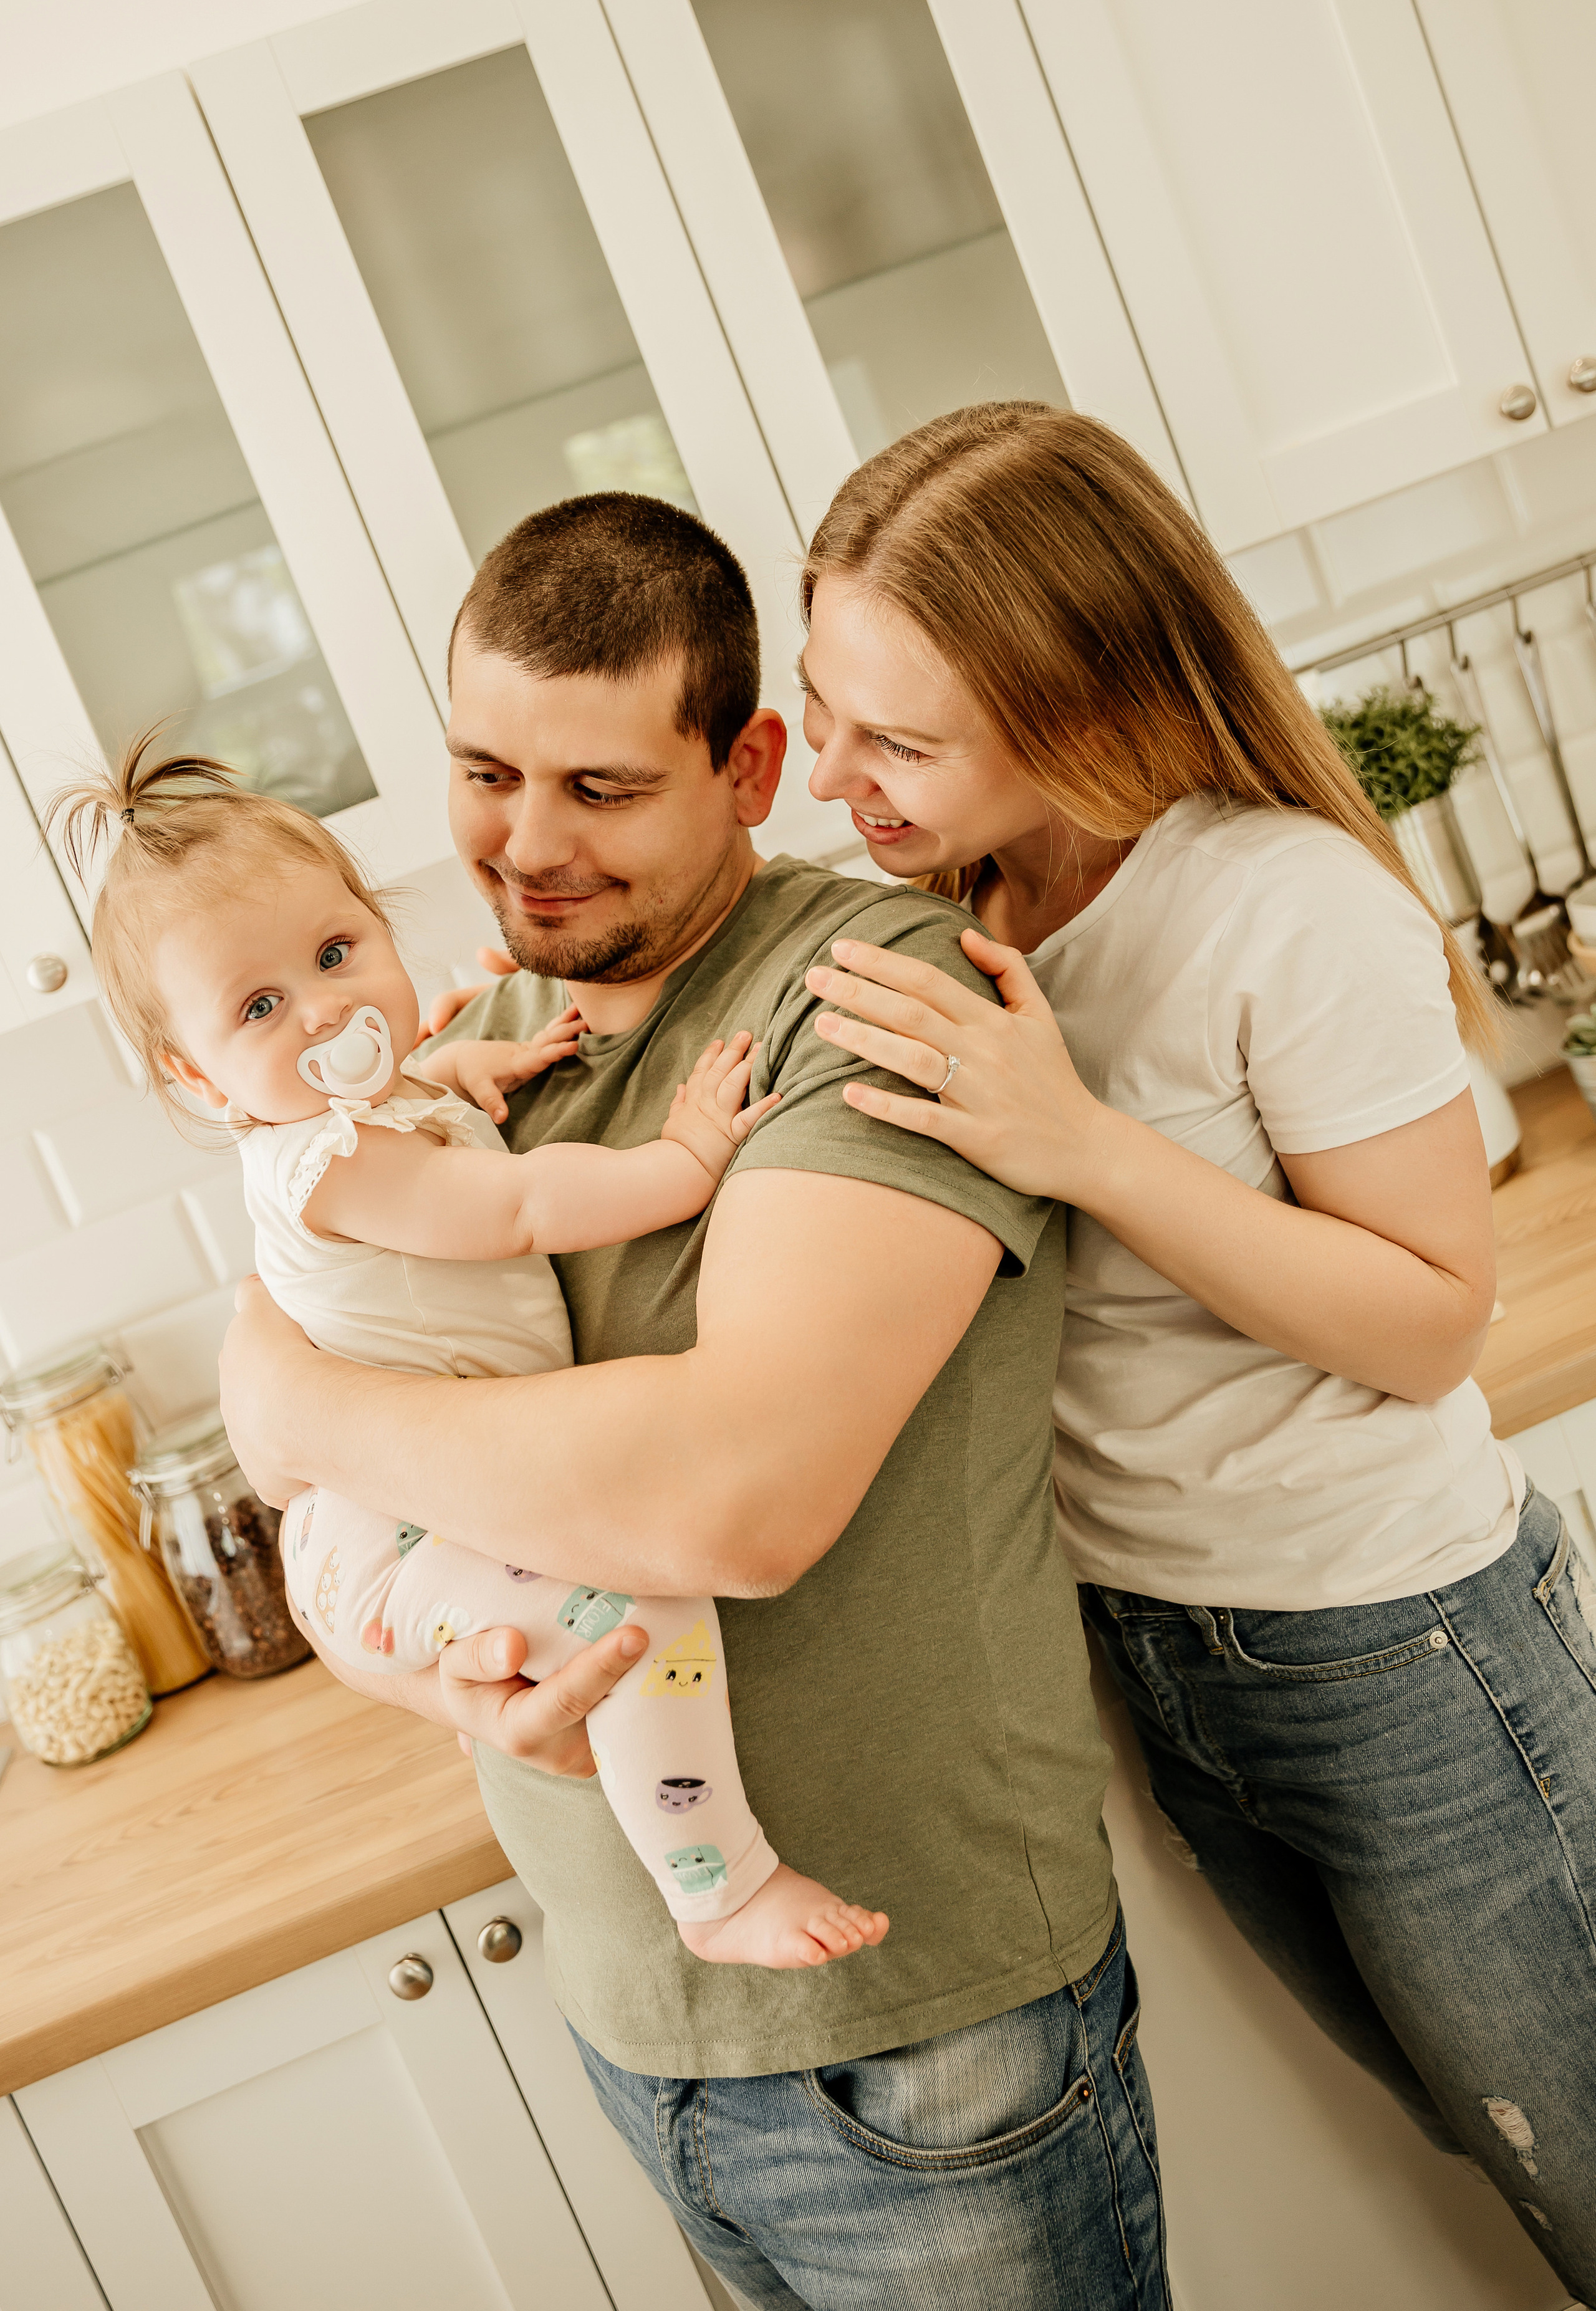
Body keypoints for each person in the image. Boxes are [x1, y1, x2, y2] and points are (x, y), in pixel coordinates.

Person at [216, 491, 1170, 2310]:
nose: (525, 846)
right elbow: (366, 1554)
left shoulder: (866, 997)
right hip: (637, 2014)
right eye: (485, 772)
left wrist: (298, 1406)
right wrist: (443, 1676)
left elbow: (736, 1497)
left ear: (747, 765)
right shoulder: (454, 1049)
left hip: (920, 2029)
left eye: (602, 788)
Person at [793, 400, 1596, 2297]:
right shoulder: (966, 907)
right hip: (1170, 1659)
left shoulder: (1279, 908)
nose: (840, 779)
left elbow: (1426, 1320)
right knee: (1501, 2151)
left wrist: (1079, 1145)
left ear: (1079, 705)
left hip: (1400, 1650)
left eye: (899, 740)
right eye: (830, 711)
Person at [50, 738, 893, 1972]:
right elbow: (507, 1210)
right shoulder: (328, 1165)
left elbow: (424, 1092)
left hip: (427, 1510)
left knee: (614, 1607)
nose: (328, 1010)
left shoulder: (375, 1104)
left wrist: (481, 1063)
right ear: (194, 1072)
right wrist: (686, 1162)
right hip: (394, 1536)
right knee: (641, 1607)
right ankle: (717, 1888)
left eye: (336, 953)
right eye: (259, 1007)